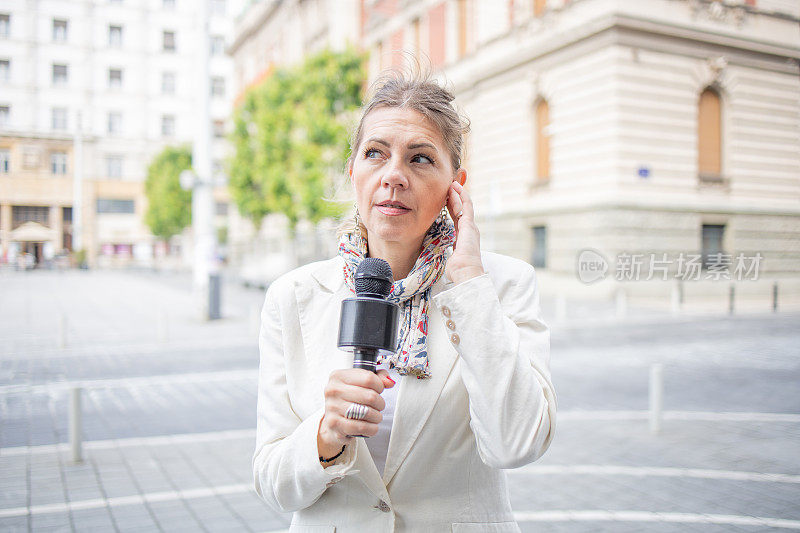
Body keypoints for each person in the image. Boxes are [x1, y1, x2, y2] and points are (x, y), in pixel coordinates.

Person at [253, 68, 557, 532]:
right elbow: (273, 485)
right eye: (375, 153)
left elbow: (516, 443)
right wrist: (325, 434)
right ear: (352, 170)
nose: (393, 175)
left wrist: (471, 284)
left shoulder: (502, 284)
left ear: (455, 186)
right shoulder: (293, 298)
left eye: (420, 159)